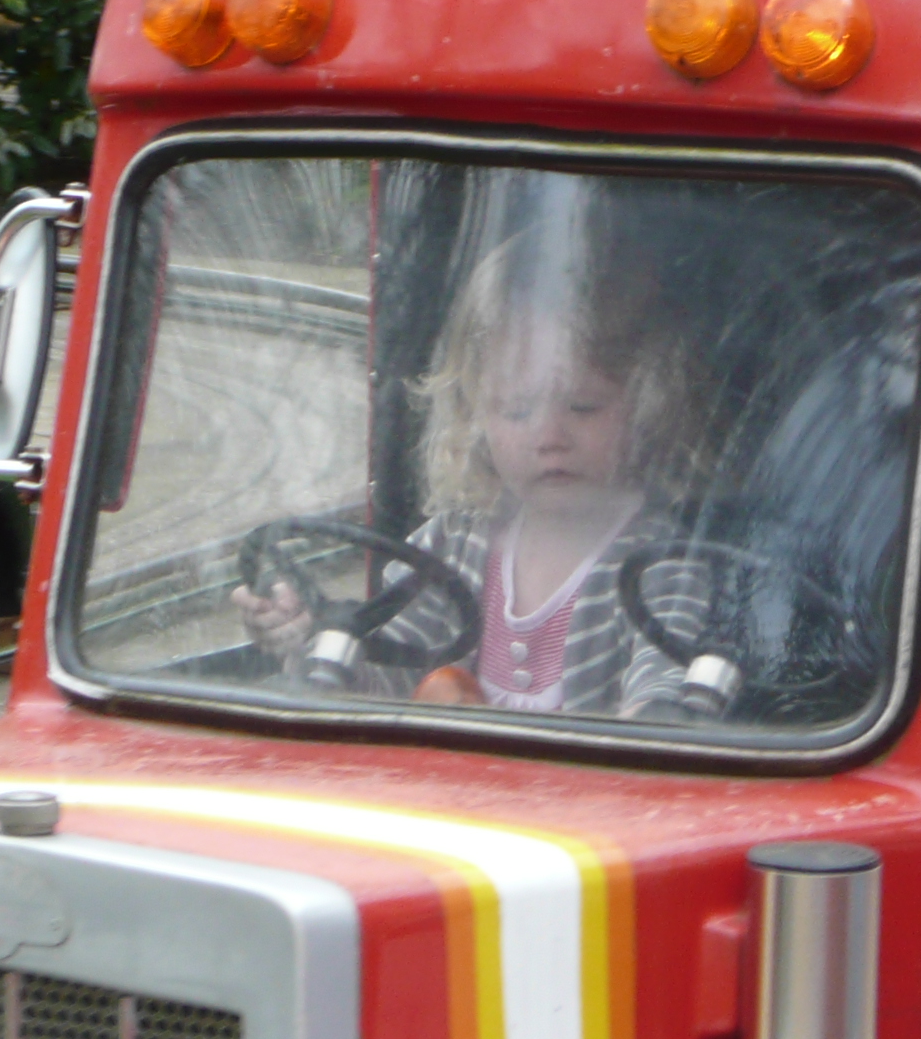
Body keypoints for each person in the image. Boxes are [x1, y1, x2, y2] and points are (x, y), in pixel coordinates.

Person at [232, 226, 715, 719]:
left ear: (651, 405)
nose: (550, 436)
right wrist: (314, 643)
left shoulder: (658, 566)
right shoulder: (452, 543)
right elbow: (390, 680)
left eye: (583, 406)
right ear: (475, 415)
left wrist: (651, 714)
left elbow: (662, 699)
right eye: (516, 411)